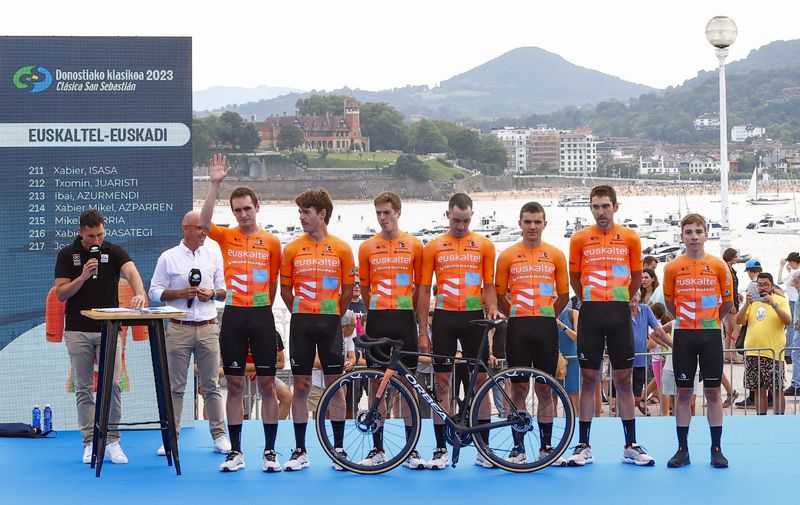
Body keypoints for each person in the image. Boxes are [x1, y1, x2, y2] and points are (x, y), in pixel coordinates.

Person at [201, 154, 283, 473]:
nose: (243, 214)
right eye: (237, 210)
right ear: (233, 212)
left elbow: (275, 284)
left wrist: (262, 308)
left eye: (247, 208)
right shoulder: (226, 236)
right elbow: (204, 222)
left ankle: (270, 452)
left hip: (262, 315)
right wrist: (214, 185)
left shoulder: (273, 242)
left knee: (266, 386)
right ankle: (235, 452)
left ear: (257, 207)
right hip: (232, 316)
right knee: (233, 385)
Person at [567, 185, 654, 466]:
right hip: (591, 313)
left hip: (619, 314)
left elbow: (637, 275)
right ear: (590, 208)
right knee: (589, 380)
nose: (601, 211)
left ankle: (631, 445)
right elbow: (574, 278)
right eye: (595, 206)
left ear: (615, 207)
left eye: (605, 206)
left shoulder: (630, 237)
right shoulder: (580, 238)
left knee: (624, 380)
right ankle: (584, 445)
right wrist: (591, 302)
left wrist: (620, 301)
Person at [53, 209, 147, 465]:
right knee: (83, 387)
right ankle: (89, 441)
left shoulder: (114, 251)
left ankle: (112, 440)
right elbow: (61, 294)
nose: (97, 241)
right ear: (81, 232)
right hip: (78, 329)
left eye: (101, 235)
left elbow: (132, 272)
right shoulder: (66, 254)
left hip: (109, 328)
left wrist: (139, 293)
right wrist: (83, 276)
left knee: (113, 385)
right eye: (92, 236)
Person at [416, 193, 502, 470]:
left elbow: (489, 285)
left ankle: (484, 447)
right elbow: (424, 289)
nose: (461, 226)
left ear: (471, 217)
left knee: (480, 384)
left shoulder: (485, 245)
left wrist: (492, 309)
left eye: (465, 221)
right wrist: (422, 331)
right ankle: (441, 447)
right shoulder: (434, 246)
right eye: (456, 220)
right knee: (441, 384)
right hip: (444, 317)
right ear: (447, 215)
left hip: (474, 318)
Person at [280, 188, 355, 471]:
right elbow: (285, 291)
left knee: (335, 386)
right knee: (300, 386)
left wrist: (332, 313)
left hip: (330, 324)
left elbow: (347, 291)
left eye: (306, 212)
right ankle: (300, 450)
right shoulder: (292, 248)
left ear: (322, 214)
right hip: (301, 323)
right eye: (299, 212)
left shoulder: (342, 248)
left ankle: (338, 448)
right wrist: (300, 312)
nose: (302, 218)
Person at [148, 210, 230, 457]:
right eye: (200, 228)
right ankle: (171, 438)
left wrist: (212, 294)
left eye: (205, 228)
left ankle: (220, 435)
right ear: (186, 228)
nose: (205, 232)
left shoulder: (213, 255)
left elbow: (224, 291)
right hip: (179, 327)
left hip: (207, 326)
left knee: (212, 385)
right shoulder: (168, 257)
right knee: (175, 387)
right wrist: (180, 294)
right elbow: (154, 292)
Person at [494, 201, 569, 465]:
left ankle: (546, 447)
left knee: (546, 389)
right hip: (518, 327)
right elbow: (500, 294)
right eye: (528, 222)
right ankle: (518, 447)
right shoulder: (507, 255)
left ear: (545, 224)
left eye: (537, 222)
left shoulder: (556, 255)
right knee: (518, 390)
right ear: (520, 223)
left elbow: (563, 295)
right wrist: (515, 312)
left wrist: (547, 314)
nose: (532, 227)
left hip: (546, 327)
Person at [357, 192, 426, 469]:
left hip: (404, 320)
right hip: (378, 319)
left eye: (387, 212)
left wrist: (422, 329)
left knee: (408, 384)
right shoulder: (367, 247)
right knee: (377, 384)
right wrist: (374, 309)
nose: (383, 218)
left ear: (398, 212)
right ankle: (378, 449)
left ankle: (410, 449)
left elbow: (421, 288)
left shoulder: (414, 245)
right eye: (378, 213)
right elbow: (364, 288)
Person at [663, 213, 733, 468]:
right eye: (689, 232)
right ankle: (682, 450)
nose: (693, 236)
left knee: (714, 392)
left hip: (711, 334)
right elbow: (670, 302)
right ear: (682, 236)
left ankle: (716, 449)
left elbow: (728, 303)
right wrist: (686, 320)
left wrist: (711, 321)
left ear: (706, 234)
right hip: (684, 335)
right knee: (684, 393)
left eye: (698, 232)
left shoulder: (717, 265)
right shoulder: (672, 266)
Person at [735, 272, 790, 415]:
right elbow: (739, 320)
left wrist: (774, 304)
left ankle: (779, 421)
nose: (763, 287)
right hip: (752, 352)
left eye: (766, 284)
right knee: (758, 389)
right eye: (760, 284)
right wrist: (746, 304)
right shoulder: (752, 302)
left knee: (777, 389)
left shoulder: (780, 300)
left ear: (772, 285)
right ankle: (761, 420)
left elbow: (787, 321)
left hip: (773, 353)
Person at [721, 248, 742, 364]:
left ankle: (728, 354)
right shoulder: (726, 270)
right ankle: (733, 354)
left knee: (729, 329)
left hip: (732, 301)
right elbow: (726, 288)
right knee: (737, 328)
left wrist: (737, 295)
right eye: (735, 257)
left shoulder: (730, 270)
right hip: (730, 303)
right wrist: (731, 303)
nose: (736, 259)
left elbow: (732, 287)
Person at [777, 252, 799, 362]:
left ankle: (788, 353)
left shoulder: (794, 272)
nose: (789, 264)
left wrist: (781, 266)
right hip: (795, 300)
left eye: (790, 262)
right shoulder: (795, 272)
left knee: (791, 328)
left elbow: (779, 281)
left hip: (793, 302)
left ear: (794, 262)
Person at [786, 270, 800, 396]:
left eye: (794, 283)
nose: (794, 286)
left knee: (796, 355)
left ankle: (797, 384)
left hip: (798, 329)